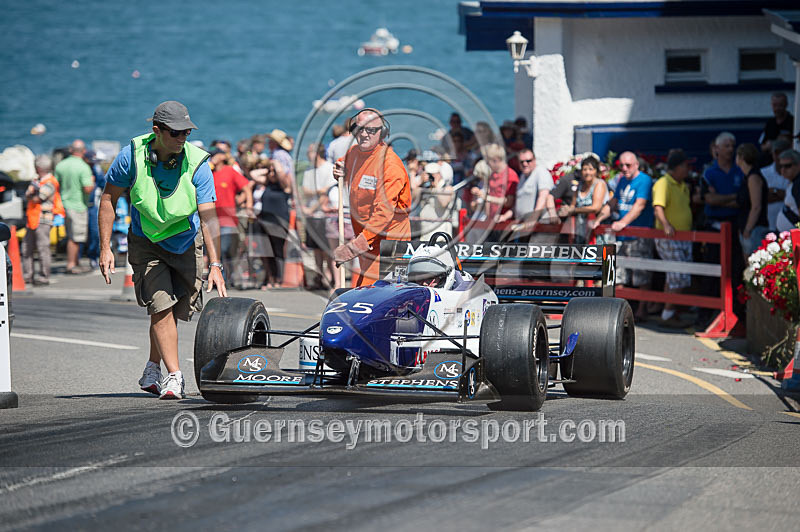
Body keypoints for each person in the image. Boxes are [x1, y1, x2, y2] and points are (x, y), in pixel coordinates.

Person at [98, 100, 226, 400]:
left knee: (178, 311)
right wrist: (105, 248)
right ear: (157, 130)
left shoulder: (197, 162)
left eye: (186, 132)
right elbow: (108, 199)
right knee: (160, 306)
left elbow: (209, 217)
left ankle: (153, 366)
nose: (182, 138)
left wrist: (216, 265)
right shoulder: (130, 156)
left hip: (185, 241)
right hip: (146, 242)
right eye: (175, 133)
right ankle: (175, 377)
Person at [332, 108, 412, 286]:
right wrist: (339, 169)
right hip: (366, 240)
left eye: (371, 130)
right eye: (360, 129)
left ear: (382, 133)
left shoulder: (390, 166)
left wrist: (353, 248)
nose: (364, 134)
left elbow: (383, 214)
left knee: (375, 297)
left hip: (388, 244)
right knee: (362, 293)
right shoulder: (354, 153)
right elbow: (344, 162)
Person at [591, 151, 654, 320]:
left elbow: (639, 205)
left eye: (628, 165)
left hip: (638, 234)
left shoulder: (644, 180)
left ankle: (642, 310)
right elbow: (613, 202)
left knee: (641, 273)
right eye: (622, 165)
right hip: (622, 236)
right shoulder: (621, 180)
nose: (624, 169)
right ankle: (620, 308)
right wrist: (599, 219)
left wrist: (622, 223)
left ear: (636, 165)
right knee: (618, 273)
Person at [652, 149, 694, 327]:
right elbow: (658, 207)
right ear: (677, 167)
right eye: (685, 166)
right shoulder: (663, 183)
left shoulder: (683, 184)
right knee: (679, 275)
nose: (688, 169)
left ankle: (668, 313)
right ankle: (668, 313)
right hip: (669, 237)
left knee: (675, 276)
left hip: (683, 237)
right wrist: (666, 225)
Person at [209, 147, 253, 284]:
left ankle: (228, 277)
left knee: (226, 249)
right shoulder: (209, 172)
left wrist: (248, 205)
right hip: (211, 219)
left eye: (215, 155)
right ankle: (222, 278)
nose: (213, 158)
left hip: (227, 219)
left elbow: (246, 187)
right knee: (216, 251)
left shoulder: (229, 171)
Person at [463, 143, 519, 242]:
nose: (487, 164)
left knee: (502, 255)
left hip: (504, 224)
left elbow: (509, 202)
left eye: (488, 161)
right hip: (490, 224)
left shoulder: (511, 175)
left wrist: (487, 198)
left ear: (496, 159)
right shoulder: (492, 175)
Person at [250, 159, 292, 289]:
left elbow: (281, 175)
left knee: (278, 251)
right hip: (264, 221)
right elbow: (253, 174)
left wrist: (276, 165)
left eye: (274, 172)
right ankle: (270, 279)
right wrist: (268, 168)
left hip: (279, 223)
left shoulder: (284, 186)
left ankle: (279, 279)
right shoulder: (267, 185)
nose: (272, 174)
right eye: (270, 172)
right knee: (267, 252)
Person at [55, 139, 94, 273]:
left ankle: (75, 262)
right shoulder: (83, 167)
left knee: (71, 235)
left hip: (64, 203)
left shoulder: (61, 165)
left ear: (71, 150)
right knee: (76, 238)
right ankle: (71, 264)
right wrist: (93, 182)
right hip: (78, 205)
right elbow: (87, 188)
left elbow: (56, 184)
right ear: (83, 151)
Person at [23, 155, 63, 286]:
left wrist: (31, 193)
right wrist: (31, 193)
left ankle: (43, 276)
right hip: (32, 219)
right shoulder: (37, 181)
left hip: (43, 220)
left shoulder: (50, 182)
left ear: (39, 167)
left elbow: (37, 198)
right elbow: (29, 195)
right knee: (26, 248)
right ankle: (28, 275)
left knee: (42, 249)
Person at [301, 143, 337, 288]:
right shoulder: (309, 170)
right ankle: (320, 276)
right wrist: (319, 191)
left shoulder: (328, 168)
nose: (307, 155)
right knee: (315, 248)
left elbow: (327, 193)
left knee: (327, 249)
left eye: (309, 152)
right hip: (312, 215)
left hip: (324, 214)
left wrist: (313, 206)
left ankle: (331, 277)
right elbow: (305, 190)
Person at [557, 156, 608, 244]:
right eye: (585, 169)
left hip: (596, 228)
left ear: (596, 171)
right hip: (580, 228)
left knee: (599, 255)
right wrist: (566, 209)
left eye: (591, 169)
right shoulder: (580, 185)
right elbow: (573, 204)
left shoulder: (599, 184)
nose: (587, 172)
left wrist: (574, 210)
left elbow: (596, 208)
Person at [734, 143, 769, 256]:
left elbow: (756, 206)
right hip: (748, 228)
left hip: (755, 230)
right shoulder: (747, 177)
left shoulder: (753, 177)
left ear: (741, 158)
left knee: (755, 267)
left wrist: (748, 229)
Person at [412, 161, 458, 241]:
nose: (430, 177)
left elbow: (443, 202)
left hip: (440, 236)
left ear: (439, 174)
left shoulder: (447, 188)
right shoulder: (426, 188)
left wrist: (436, 184)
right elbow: (413, 197)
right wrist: (420, 182)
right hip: (425, 235)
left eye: (432, 174)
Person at [514, 149, 557, 227]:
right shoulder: (522, 176)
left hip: (539, 226)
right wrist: (505, 216)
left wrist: (533, 218)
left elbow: (543, 197)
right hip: (524, 226)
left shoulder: (541, 172)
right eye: (521, 162)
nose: (525, 164)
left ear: (534, 160)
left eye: (528, 161)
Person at [761, 138, 792, 229]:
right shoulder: (763, 173)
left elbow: (794, 198)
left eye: (781, 151)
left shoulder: (795, 173)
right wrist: (783, 194)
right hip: (769, 227)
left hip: (791, 229)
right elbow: (762, 198)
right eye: (776, 152)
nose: (778, 155)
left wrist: (774, 192)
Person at [759, 93, 794, 163]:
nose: (777, 108)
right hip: (769, 161)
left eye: (780, 105)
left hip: (788, 160)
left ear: (786, 105)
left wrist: (785, 143)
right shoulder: (770, 123)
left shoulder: (793, 122)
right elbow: (762, 146)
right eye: (775, 105)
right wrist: (768, 145)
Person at [776, 149, 800, 233]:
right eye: (781, 166)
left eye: (787, 166)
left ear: (798, 165)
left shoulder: (798, 184)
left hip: (796, 238)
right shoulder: (793, 182)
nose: (783, 170)